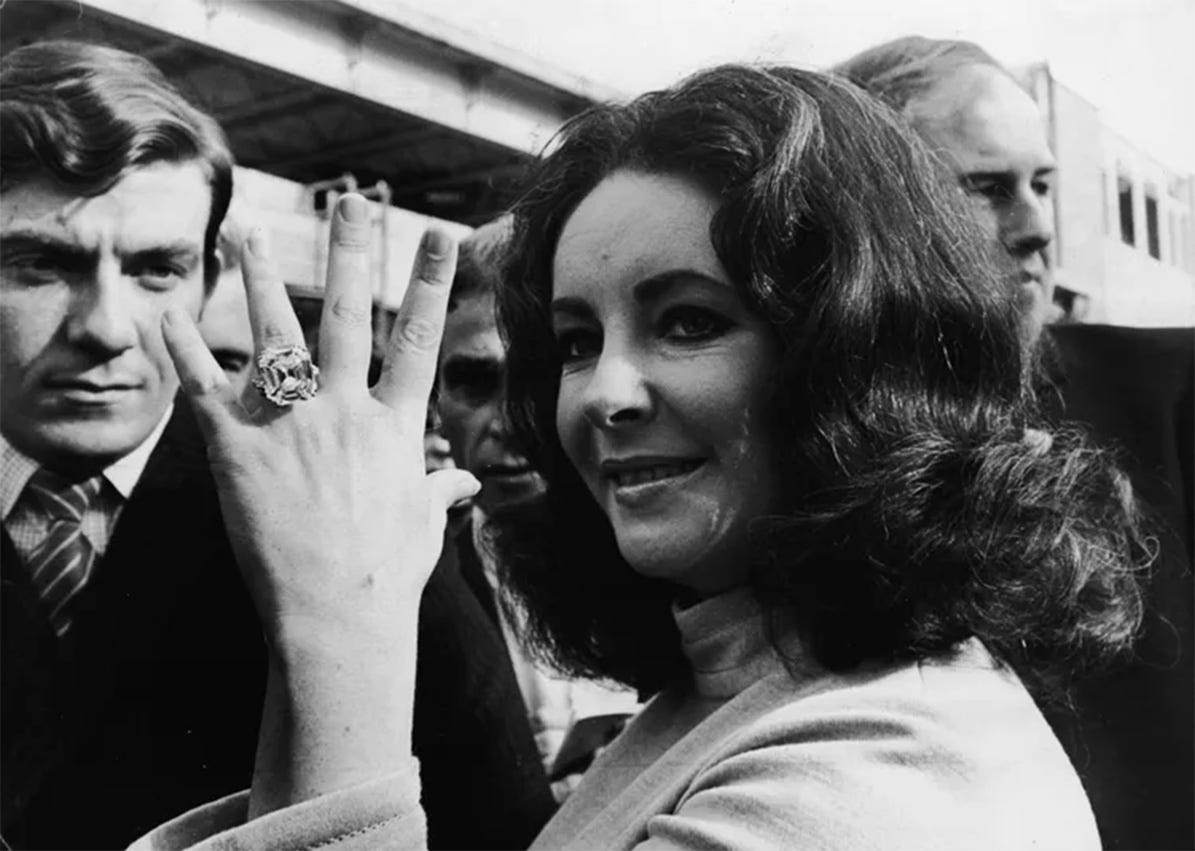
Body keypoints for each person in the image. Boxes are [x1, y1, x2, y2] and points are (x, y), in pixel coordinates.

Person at [138, 65, 1147, 850]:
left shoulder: (875, 774)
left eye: (688, 321)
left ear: (857, 357)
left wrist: (339, 621)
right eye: (577, 341)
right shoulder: (746, 682)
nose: (601, 393)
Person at [0, 40, 553, 850]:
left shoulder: (339, 500)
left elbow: (502, 828)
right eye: (40, 265)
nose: (107, 329)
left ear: (206, 281)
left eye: (157, 269)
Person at [835, 37, 1194, 850]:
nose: (1035, 226)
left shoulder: (1170, 394)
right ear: (870, 211)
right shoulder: (804, 458)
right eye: (986, 187)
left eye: (1041, 184)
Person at [437, 218, 640, 792]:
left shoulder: (683, 565)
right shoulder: (411, 592)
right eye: (474, 382)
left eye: (540, 381)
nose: (510, 422)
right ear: (436, 399)